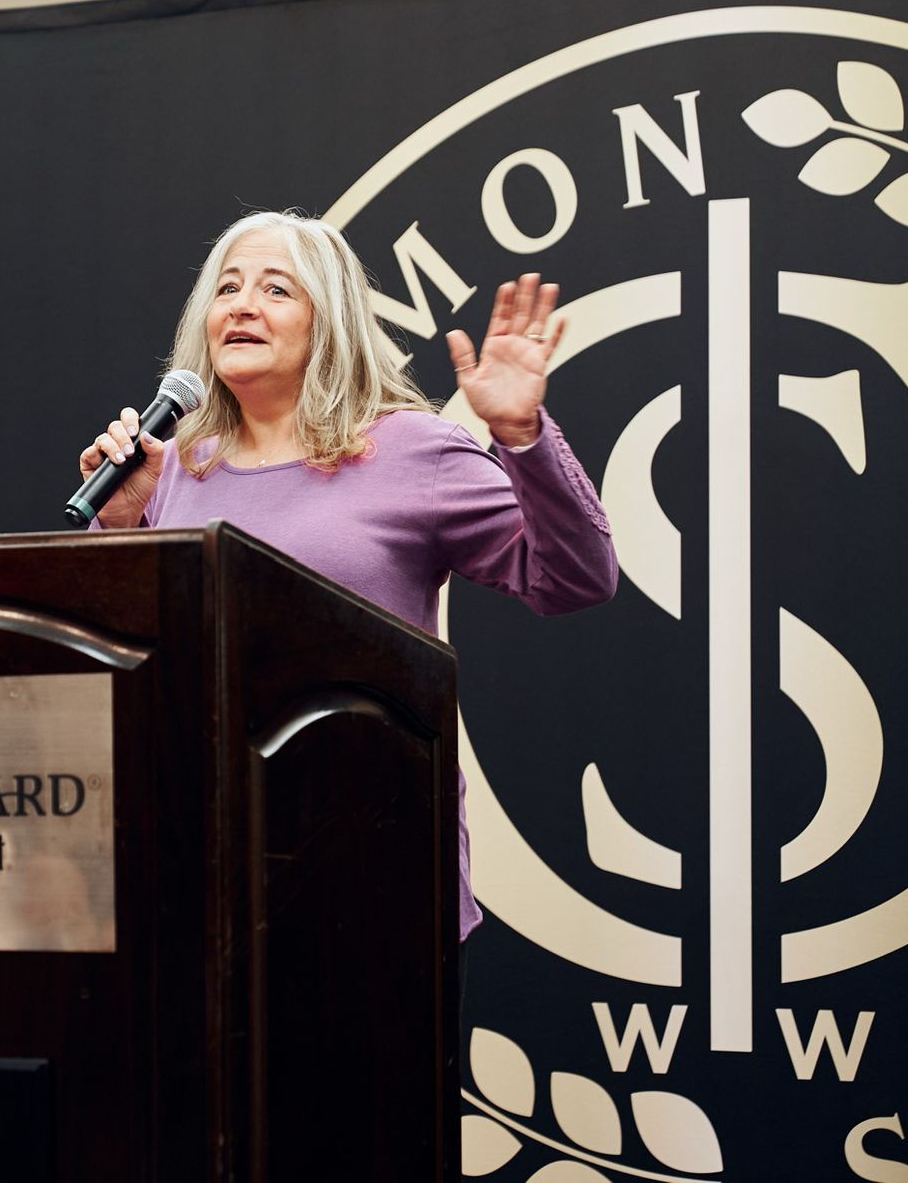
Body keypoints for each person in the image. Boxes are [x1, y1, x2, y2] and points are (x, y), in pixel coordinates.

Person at [76, 209, 617, 941]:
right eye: (227, 288)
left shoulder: (410, 451)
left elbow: (576, 578)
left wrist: (523, 437)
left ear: (326, 323)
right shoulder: (169, 468)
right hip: (195, 863)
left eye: (275, 290)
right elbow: (131, 666)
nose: (240, 305)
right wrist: (123, 524)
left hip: (366, 862)